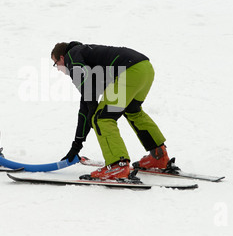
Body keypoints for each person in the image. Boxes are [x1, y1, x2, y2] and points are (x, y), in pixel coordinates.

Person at [51, 41, 170, 180]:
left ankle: (117, 165)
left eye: (55, 63)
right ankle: (159, 156)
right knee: (133, 111)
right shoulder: (90, 61)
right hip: (145, 69)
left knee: (102, 119)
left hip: (129, 70)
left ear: (62, 58)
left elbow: (84, 85)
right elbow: (85, 107)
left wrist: (92, 110)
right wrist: (76, 146)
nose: (58, 69)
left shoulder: (73, 55)